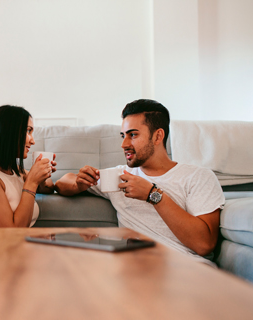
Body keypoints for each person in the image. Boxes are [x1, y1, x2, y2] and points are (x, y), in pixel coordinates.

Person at [54, 99, 225, 265]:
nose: (123, 144)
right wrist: (79, 183)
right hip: (136, 269)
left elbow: (204, 244)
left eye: (133, 135)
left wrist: (153, 195)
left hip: (187, 268)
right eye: (123, 136)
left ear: (158, 136)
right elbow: (62, 182)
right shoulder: (118, 177)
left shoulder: (198, 177)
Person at [0, 105, 56, 228]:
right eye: (28, 131)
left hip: (20, 245)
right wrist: (31, 182)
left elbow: (48, 188)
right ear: (8, 132)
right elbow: (12, 231)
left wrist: (41, 176)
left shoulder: (16, 171)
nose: (33, 141)